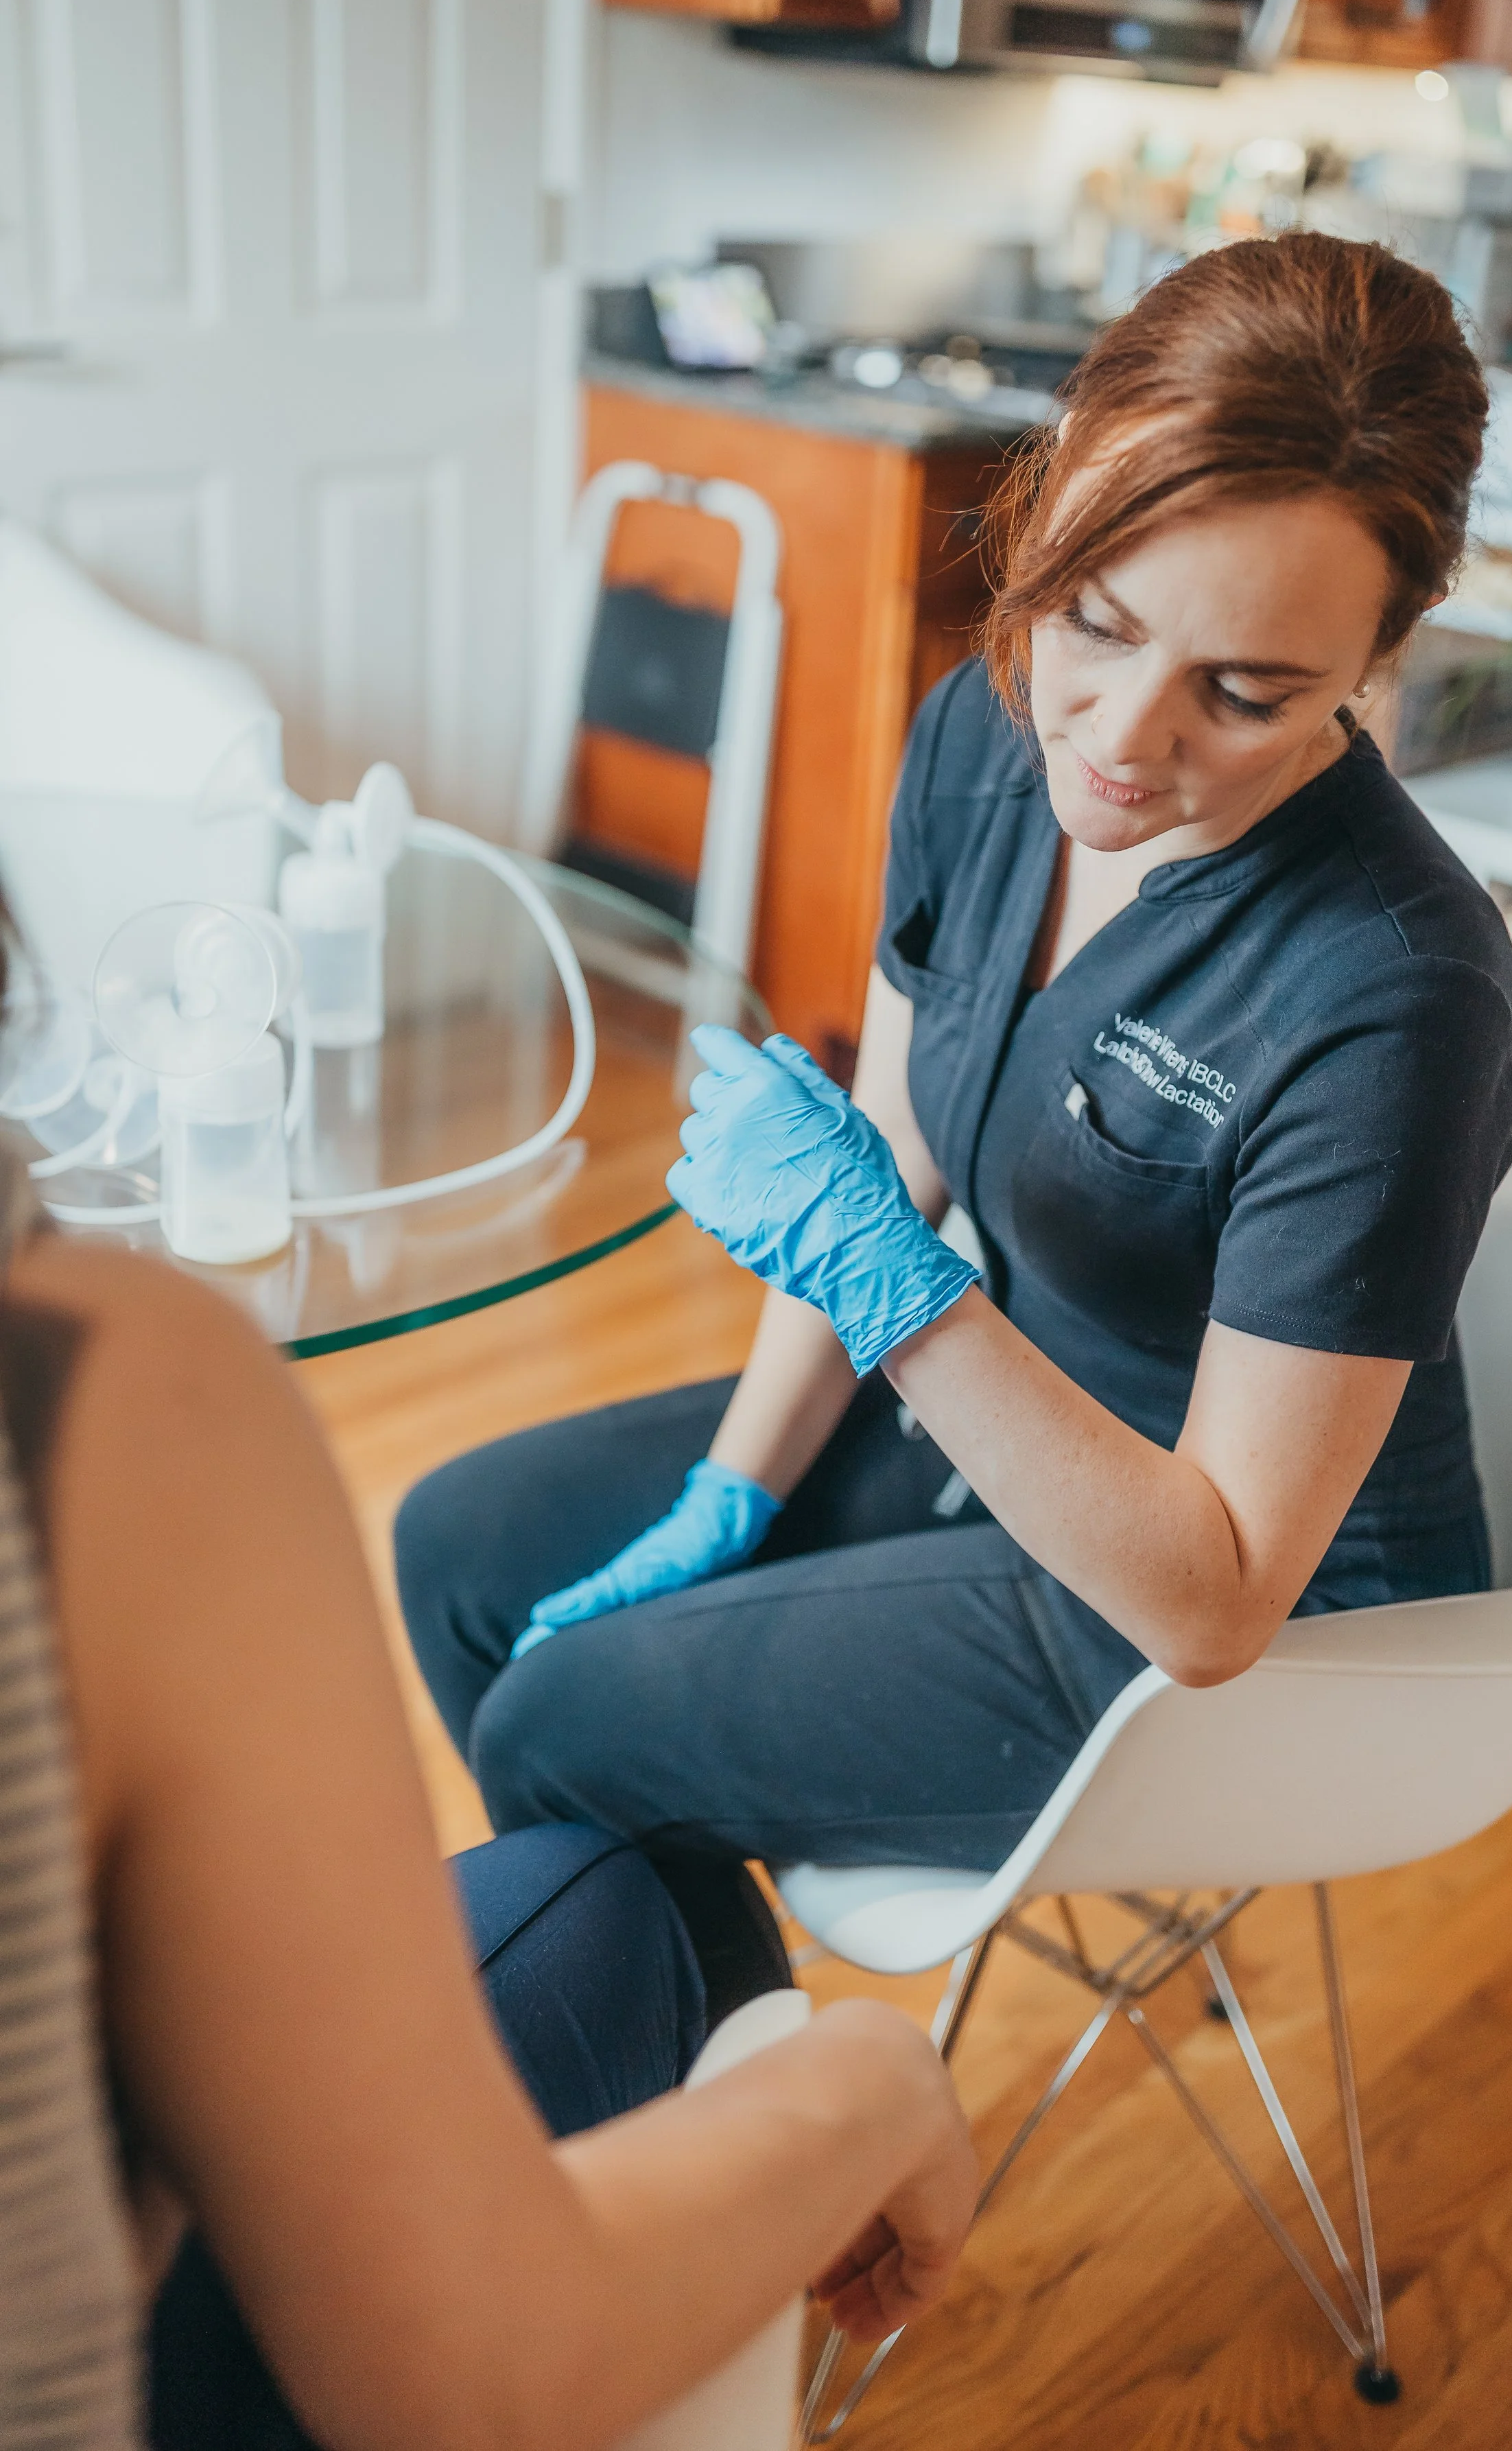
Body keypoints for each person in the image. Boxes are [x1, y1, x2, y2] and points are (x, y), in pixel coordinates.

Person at [397, 231, 1512, 1901]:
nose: (1120, 740)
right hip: (1011, 1433)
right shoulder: (987, 736)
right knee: (461, 1552)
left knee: (562, 1726)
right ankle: (685, 2054)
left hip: (1252, 1622)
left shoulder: (1395, 990)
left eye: (1240, 691)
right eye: (1091, 615)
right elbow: (894, 1156)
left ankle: (749, 2139)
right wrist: (734, 1489)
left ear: (1376, 658)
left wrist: (887, 1284)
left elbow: (1213, 1598)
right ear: (1055, 487)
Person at [0, 919, 978, 2449]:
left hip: (1086, 1535)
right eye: (1092, 651)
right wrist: (873, 2081)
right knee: (632, 1865)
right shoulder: (103, 1400)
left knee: (503, 1630)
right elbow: (461, 2367)